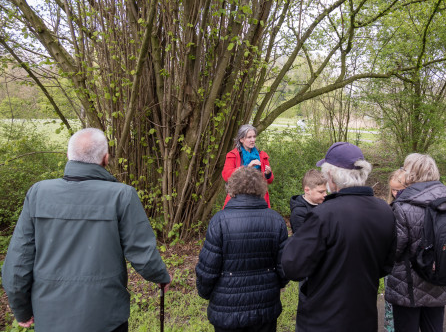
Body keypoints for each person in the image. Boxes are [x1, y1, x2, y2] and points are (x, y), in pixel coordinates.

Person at [1, 128, 171, 332]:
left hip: (51, 316)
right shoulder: (122, 196)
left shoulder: (38, 193)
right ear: (106, 158)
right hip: (105, 316)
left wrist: (21, 309)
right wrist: (161, 277)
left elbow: (18, 261)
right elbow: (142, 253)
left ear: (68, 156)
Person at [281, 142, 396, 332]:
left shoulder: (323, 214)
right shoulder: (384, 210)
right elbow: (387, 264)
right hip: (364, 317)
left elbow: (293, 266)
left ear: (332, 177)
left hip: (323, 320)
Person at [196, 166, 289, 332]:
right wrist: (275, 285)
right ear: (261, 187)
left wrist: (204, 292)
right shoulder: (276, 220)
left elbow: (207, 269)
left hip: (227, 308)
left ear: (232, 188)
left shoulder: (219, 221)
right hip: (264, 306)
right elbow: (284, 267)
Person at [385, 153, 446, 332]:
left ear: (412, 174)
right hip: (440, 277)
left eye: (404, 168)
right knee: (433, 327)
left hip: (407, 284)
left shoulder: (403, 206)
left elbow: (394, 250)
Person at [222, 124, 274, 207]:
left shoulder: (262, 155)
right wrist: (247, 167)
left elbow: (270, 181)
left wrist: (268, 174)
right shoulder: (233, 155)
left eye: (254, 137)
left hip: (259, 199)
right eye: (249, 137)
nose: (253, 140)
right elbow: (226, 176)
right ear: (241, 139)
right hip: (238, 198)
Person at [385, 168, 408, 332]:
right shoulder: (390, 206)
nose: (395, 193)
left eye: (399, 190)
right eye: (393, 190)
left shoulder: (408, 208)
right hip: (391, 266)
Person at [289, 169, 327, 233]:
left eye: (326, 191)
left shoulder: (324, 204)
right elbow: (302, 239)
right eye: (321, 192)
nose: (325, 194)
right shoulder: (298, 213)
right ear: (307, 190)